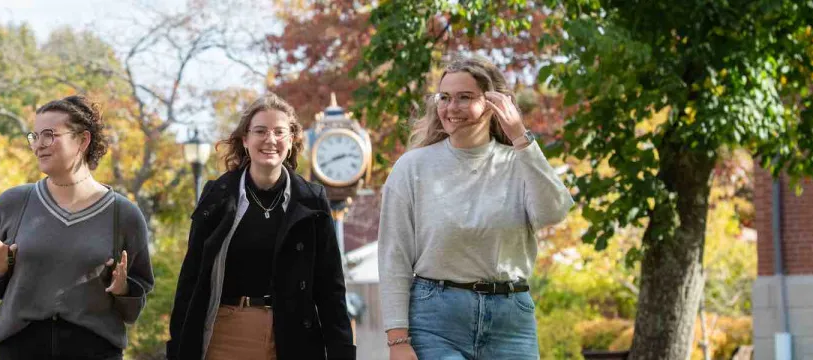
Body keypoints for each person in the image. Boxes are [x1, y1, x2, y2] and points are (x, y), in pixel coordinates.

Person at [378, 55, 575, 360]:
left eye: (464, 97)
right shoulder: (413, 167)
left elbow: (554, 213)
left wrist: (521, 137)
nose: (451, 108)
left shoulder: (518, 162)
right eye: (444, 97)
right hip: (436, 320)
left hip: (511, 320)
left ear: (493, 103)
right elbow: (394, 256)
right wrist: (397, 340)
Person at [166, 94, 355, 360]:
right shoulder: (218, 196)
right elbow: (190, 279)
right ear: (245, 140)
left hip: (294, 335)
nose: (270, 140)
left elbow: (330, 288)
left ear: (291, 141)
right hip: (228, 332)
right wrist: (177, 348)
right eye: (260, 131)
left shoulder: (312, 200)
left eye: (279, 132)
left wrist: (342, 352)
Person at [0, 95, 155, 360]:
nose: (38, 145)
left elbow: (135, 302)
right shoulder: (12, 203)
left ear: (83, 140)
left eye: (49, 135)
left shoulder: (124, 214)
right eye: (34, 136)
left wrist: (123, 289)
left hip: (94, 350)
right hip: (19, 349)